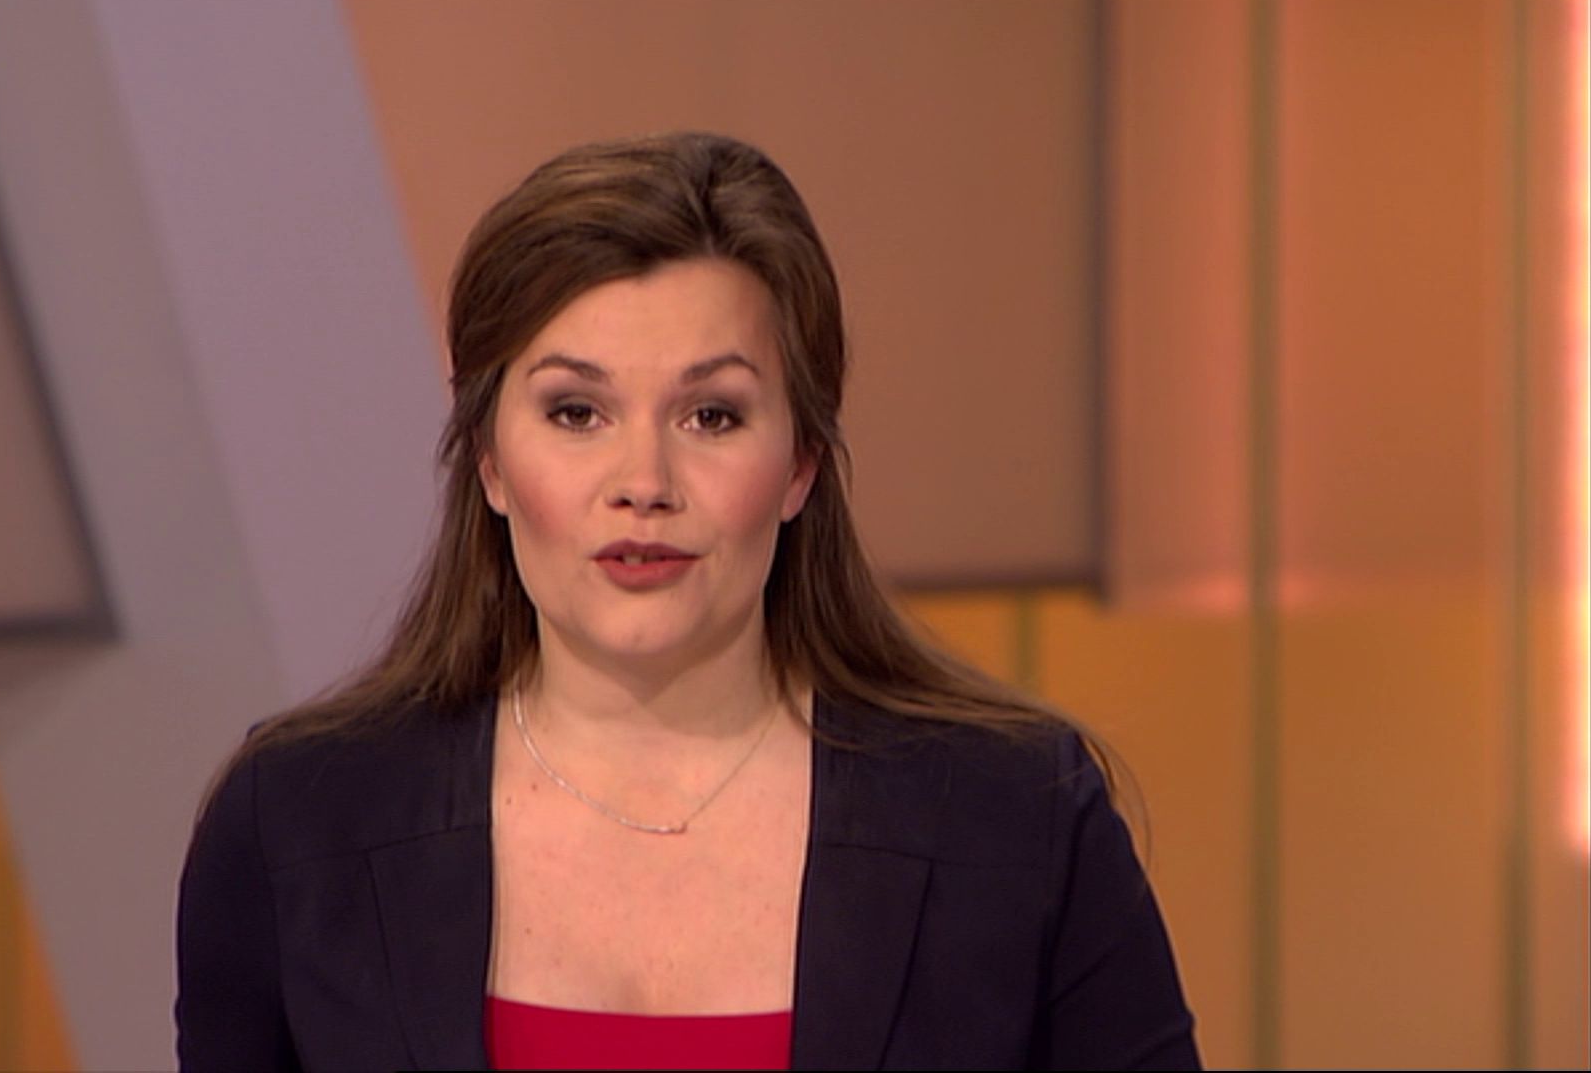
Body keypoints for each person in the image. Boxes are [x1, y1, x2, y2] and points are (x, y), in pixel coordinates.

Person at [175, 130, 1200, 1071]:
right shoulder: (295, 824)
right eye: (576, 412)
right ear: (488, 460)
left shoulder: (1016, 819)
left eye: (711, 415)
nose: (644, 482)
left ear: (800, 464)